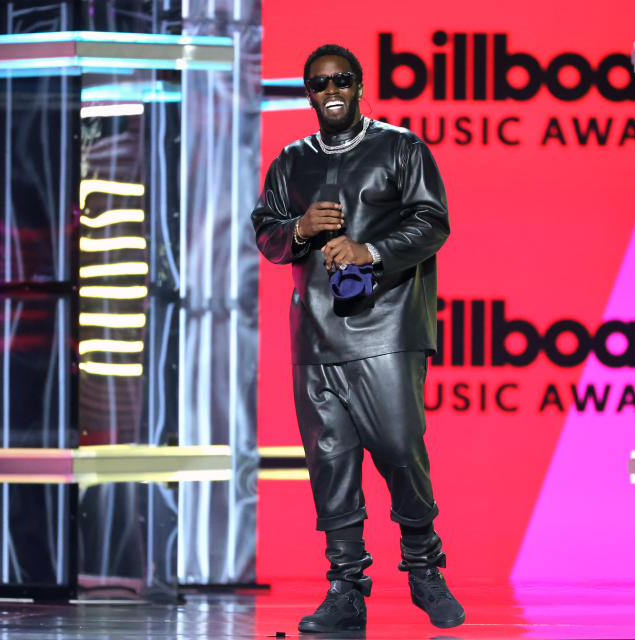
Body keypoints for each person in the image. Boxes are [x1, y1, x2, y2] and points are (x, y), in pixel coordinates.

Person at [250, 43, 464, 633]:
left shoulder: (400, 146)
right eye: (319, 84)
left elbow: (432, 221)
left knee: (399, 447)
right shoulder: (291, 161)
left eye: (342, 79)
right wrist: (298, 227)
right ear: (309, 94)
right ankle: (346, 589)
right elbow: (265, 233)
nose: (332, 90)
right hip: (315, 335)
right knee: (330, 463)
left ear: (361, 85)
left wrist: (370, 253)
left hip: (387, 325)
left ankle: (424, 564)